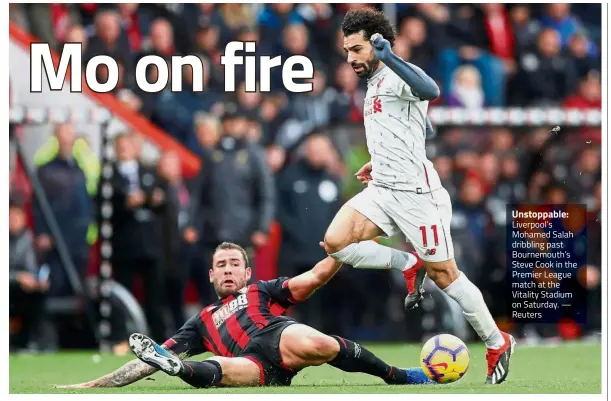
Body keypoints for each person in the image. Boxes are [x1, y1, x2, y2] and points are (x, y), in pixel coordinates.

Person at [321, 8, 515, 385]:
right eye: (347, 51)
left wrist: (391, 56)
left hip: (415, 194)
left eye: (357, 49)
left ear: (379, 45)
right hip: (383, 187)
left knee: (445, 275)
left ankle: (497, 341)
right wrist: (378, 162)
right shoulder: (375, 81)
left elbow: (431, 91)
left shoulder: (394, 71)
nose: (350, 59)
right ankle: (408, 264)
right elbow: (417, 123)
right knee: (336, 242)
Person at [55, 242, 434, 389]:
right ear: (211, 274)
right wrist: (93, 386)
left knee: (316, 341)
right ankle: (183, 371)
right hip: (254, 367)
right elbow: (146, 361)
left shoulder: (261, 290)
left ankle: (398, 377)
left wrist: (342, 251)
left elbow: (314, 278)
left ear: (247, 272)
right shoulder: (200, 320)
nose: (228, 269)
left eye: (235, 263)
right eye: (221, 265)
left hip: (277, 336)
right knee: (216, 368)